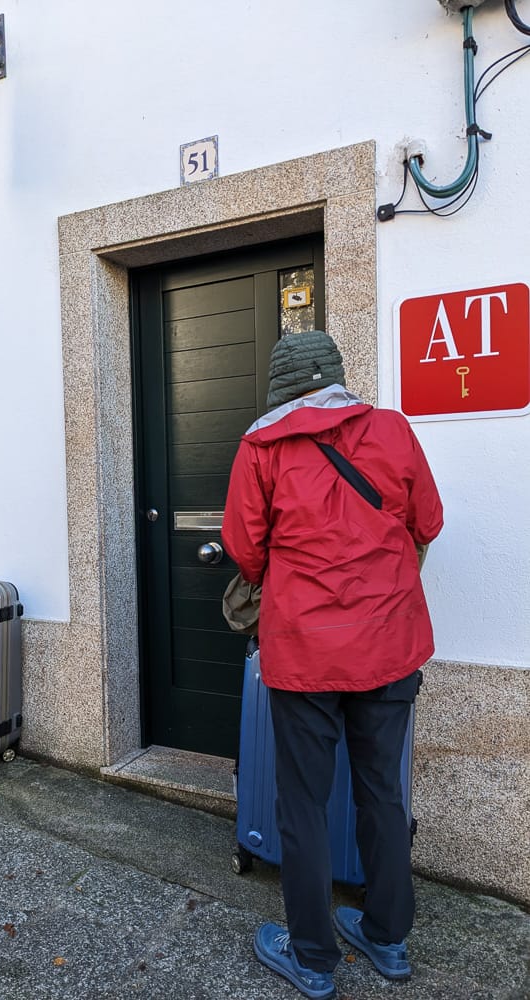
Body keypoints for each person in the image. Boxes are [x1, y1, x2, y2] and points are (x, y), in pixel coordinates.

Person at [221, 330, 443, 1000]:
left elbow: (244, 548)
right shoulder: (392, 431)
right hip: (390, 643)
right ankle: (387, 937)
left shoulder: (262, 448)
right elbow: (428, 521)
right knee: (381, 791)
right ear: (339, 378)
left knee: (304, 804)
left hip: (306, 654)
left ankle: (314, 957)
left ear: (282, 387)